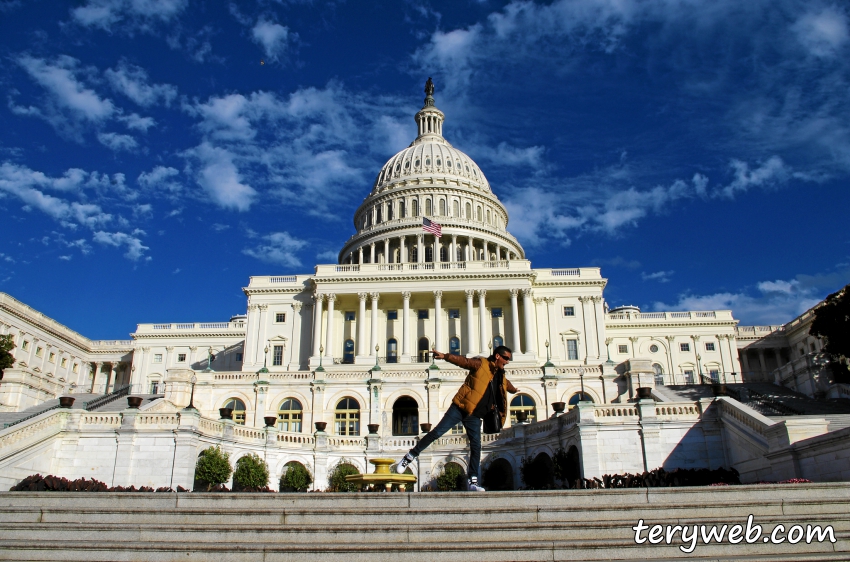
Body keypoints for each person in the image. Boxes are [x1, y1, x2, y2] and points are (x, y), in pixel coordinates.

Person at [396, 346, 517, 491]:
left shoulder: (500, 375)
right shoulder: (481, 364)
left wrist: (514, 390)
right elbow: (463, 361)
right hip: (460, 408)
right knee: (437, 432)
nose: (508, 362)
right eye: (506, 358)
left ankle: (473, 482)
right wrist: (445, 356)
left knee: (476, 446)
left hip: (475, 416)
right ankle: (409, 456)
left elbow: (506, 384)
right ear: (498, 356)